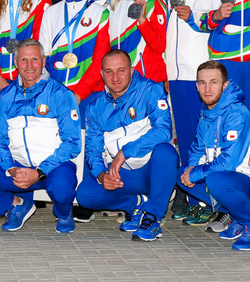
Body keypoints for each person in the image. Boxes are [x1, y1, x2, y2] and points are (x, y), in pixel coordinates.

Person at [0, 40, 81, 233]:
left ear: (44, 61)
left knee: (62, 189)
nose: (30, 65)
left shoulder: (61, 94)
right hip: (18, 166)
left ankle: (64, 213)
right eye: (24, 60)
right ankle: (16, 205)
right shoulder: (6, 96)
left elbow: (72, 143)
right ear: (16, 62)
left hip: (53, 167)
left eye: (34, 59)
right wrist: (11, 168)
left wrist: (39, 172)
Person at [76, 50, 178, 242]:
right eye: (109, 71)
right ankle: (135, 204)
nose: (115, 77)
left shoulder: (151, 90)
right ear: (101, 74)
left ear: (132, 70)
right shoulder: (95, 107)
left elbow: (163, 131)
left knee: (166, 152)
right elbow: (93, 150)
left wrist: (125, 152)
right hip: (122, 176)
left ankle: (153, 217)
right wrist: (101, 175)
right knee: (85, 195)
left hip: (150, 172)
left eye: (121, 70)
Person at [179, 61, 250, 251]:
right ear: (196, 85)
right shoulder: (207, 111)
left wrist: (194, 174)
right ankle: (237, 216)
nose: (207, 88)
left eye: (214, 82)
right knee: (177, 174)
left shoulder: (236, 113)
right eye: (202, 83)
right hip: (238, 183)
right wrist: (189, 170)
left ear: (225, 85)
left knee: (217, 179)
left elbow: (228, 163)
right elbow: (197, 148)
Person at [162, 0, 212, 219]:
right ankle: (192, 195)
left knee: (203, 134)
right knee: (184, 135)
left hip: (199, 68)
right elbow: (170, 27)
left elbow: (215, 19)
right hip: (177, 71)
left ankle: (207, 199)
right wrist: (168, 67)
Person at [38, 0, 111, 110]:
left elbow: (100, 61)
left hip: (90, 93)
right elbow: (44, 56)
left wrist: (78, 94)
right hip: (57, 93)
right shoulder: (51, 12)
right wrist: (57, 91)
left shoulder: (101, 12)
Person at [107, 0, 166, 82]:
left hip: (146, 79)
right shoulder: (115, 1)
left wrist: (142, 20)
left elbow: (159, 45)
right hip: (118, 80)